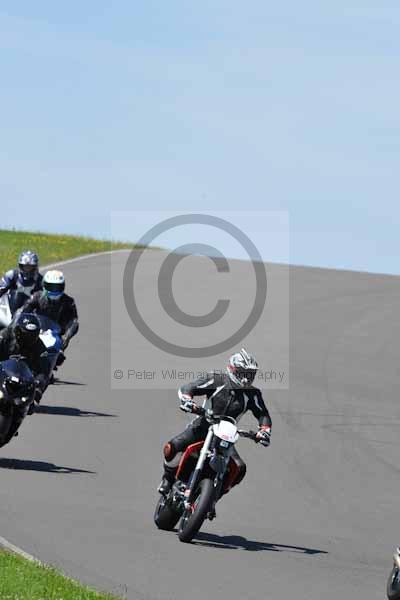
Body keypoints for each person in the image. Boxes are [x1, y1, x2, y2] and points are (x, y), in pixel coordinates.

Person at [158, 348, 272, 511]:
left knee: (239, 468)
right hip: (203, 426)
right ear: (232, 369)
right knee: (172, 447)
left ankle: (212, 499)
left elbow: (262, 414)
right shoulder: (216, 379)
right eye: (243, 373)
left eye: (250, 374)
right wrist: (187, 399)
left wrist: (264, 430)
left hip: (226, 435)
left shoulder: (253, 394)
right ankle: (168, 479)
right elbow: (190, 387)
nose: (246, 378)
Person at [22, 270, 79, 353]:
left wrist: (67, 337)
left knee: (59, 356)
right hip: (35, 332)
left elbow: (74, 322)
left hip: (55, 337)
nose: (54, 290)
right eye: (51, 286)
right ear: (44, 285)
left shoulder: (69, 302)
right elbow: (24, 311)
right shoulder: (36, 296)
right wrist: (23, 324)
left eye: (57, 287)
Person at [0, 313, 50, 406]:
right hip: (3, 374)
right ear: (18, 331)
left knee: (45, 379)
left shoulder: (39, 344)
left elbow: (45, 365)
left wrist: (40, 380)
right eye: (27, 335)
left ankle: (32, 400)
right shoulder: (4, 337)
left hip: (25, 377)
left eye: (33, 335)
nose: (30, 338)